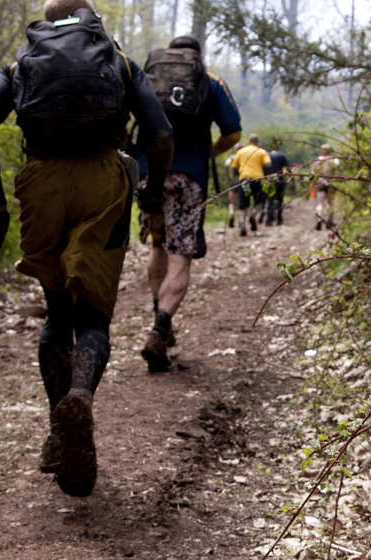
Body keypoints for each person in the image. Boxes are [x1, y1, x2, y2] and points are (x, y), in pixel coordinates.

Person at [0, 0, 173, 497]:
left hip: (39, 180)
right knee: (95, 317)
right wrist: (149, 193)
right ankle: (80, 395)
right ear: (89, 21)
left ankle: (57, 426)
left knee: (56, 312)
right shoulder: (119, 62)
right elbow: (161, 133)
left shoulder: (20, 65)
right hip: (104, 180)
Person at [136, 36, 242, 372]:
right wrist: (208, 151)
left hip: (148, 173)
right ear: (199, 56)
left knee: (157, 245)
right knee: (179, 256)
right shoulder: (210, 82)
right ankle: (159, 328)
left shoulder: (148, 76)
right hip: (187, 177)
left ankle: (159, 318)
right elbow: (234, 132)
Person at [230, 133, 271, 236]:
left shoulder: (240, 152)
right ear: (257, 142)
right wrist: (266, 175)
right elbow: (268, 165)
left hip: (244, 179)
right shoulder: (261, 151)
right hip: (258, 179)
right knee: (259, 202)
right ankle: (253, 214)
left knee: (242, 205)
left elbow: (234, 168)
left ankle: (242, 224)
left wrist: (239, 174)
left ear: (248, 142)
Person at [312, 144, 340, 230]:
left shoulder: (317, 160)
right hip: (331, 183)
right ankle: (329, 221)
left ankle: (319, 218)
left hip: (320, 183)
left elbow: (313, 173)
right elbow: (338, 171)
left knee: (320, 204)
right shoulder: (334, 160)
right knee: (330, 203)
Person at [265, 143, 291, 226]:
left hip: (269, 180)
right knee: (280, 199)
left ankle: (269, 218)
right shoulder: (282, 155)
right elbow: (287, 168)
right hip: (280, 180)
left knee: (270, 199)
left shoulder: (267, 155)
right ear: (278, 148)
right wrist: (289, 176)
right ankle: (279, 218)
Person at [224, 142, 245, 228]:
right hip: (243, 179)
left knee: (232, 201)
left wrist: (228, 176)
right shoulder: (245, 157)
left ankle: (232, 213)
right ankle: (241, 221)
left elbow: (226, 164)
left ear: (235, 150)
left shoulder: (233, 157)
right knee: (242, 202)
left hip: (234, 179)